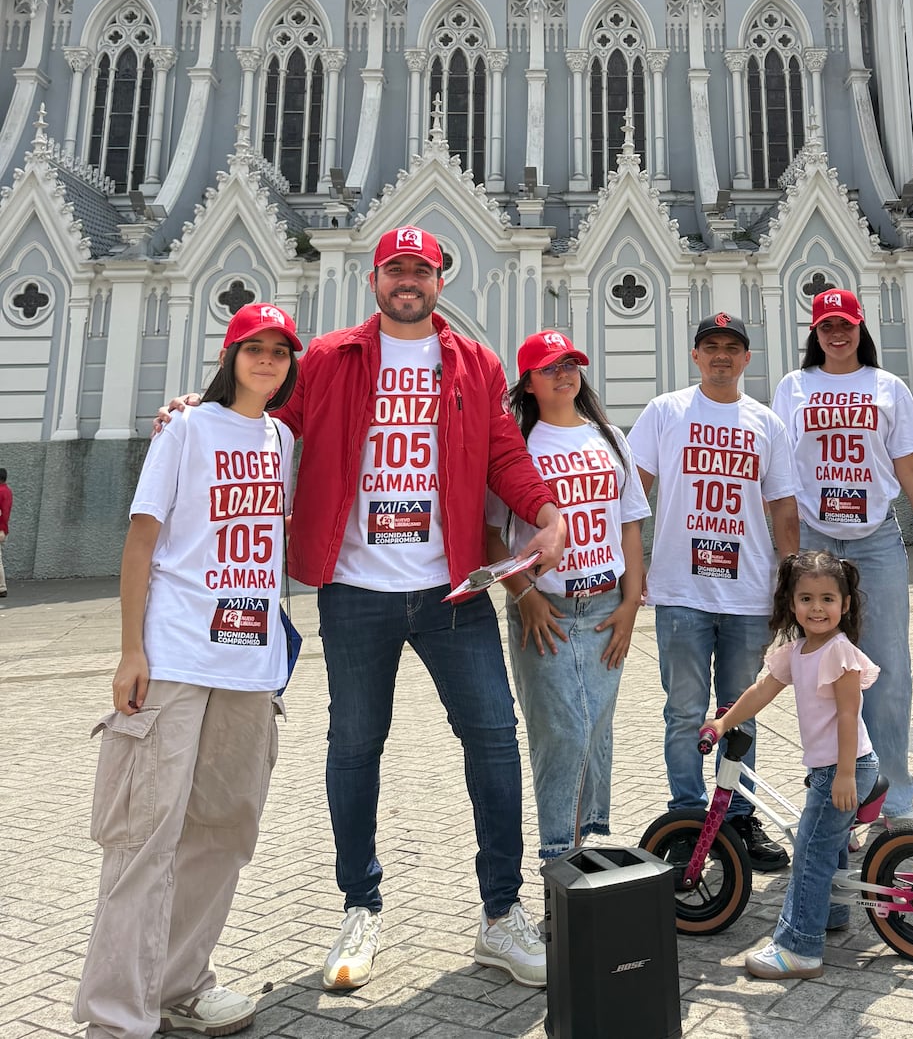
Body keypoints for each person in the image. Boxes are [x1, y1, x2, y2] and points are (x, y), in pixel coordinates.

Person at [157, 227, 566, 992]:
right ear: (375, 279)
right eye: (395, 269)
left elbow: (504, 452)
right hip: (354, 590)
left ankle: (501, 914)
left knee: (494, 740)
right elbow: (267, 417)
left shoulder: (474, 361)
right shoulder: (328, 359)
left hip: (452, 589)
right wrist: (197, 409)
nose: (408, 279)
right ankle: (360, 905)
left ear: (442, 278)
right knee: (354, 745)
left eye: (421, 269)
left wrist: (544, 507)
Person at [75, 303, 302, 1039]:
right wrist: (130, 649)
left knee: (224, 829)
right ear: (230, 355)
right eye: (254, 348)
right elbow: (142, 542)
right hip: (174, 654)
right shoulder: (186, 429)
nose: (266, 359)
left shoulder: (281, 437)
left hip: (249, 662)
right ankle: (116, 1015)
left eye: (279, 350)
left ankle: (178, 982)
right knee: (146, 835)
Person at [628, 313, 799, 872]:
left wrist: (789, 583)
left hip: (749, 596)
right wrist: (627, 567)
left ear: (747, 359)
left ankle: (736, 820)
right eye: (711, 347)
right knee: (683, 712)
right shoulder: (666, 412)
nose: (722, 355)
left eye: (733, 347)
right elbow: (633, 494)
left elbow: (782, 508)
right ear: (696, 356)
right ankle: (685, 818)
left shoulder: (767, 423)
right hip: (681, 594)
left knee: (740, 714)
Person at [771, 289, 913, 824]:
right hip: (816, 543)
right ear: (814, 333)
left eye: (844, 324)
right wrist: (788, 556)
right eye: (825, 326)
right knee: (821, 671)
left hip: (875, 539)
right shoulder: (794, 387)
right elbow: (778, 471)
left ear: (860, 326)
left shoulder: (888, 387)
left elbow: (911, 466)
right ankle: (834, 796)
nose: (836, 334)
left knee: (888, 670)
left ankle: (893, 801)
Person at [485, 330, 649, 863]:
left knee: (594, 729)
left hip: (605, 607)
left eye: (571, 364)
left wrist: (630, 603)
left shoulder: (608, 437)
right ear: (528, 383)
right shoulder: (516, 446)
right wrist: (524, 593)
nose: (564, 374)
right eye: (551, 367)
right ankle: (559, 853)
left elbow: (628, 525)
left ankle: (579, 840)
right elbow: (489, 534)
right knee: (564, 731)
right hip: (546, 610)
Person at [700, 548, 880, 981]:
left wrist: (844, 774)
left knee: (810, 853)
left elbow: (847, 716)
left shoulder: (840, 654)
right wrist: (723, 721)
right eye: (806, 599)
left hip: (845, 765)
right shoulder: (797, 651)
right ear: (791, 603)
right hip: (830, 767)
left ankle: (799, 946)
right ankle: (830, 913)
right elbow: (762, 691)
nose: (816, 608)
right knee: (828, 845)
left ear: (845, 604)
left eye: (827, 599)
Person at [0, 467, 11, 598]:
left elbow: (3, 513)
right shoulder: (7, 491)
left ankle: (2, 587)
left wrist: (1, 529)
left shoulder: (1, 492)